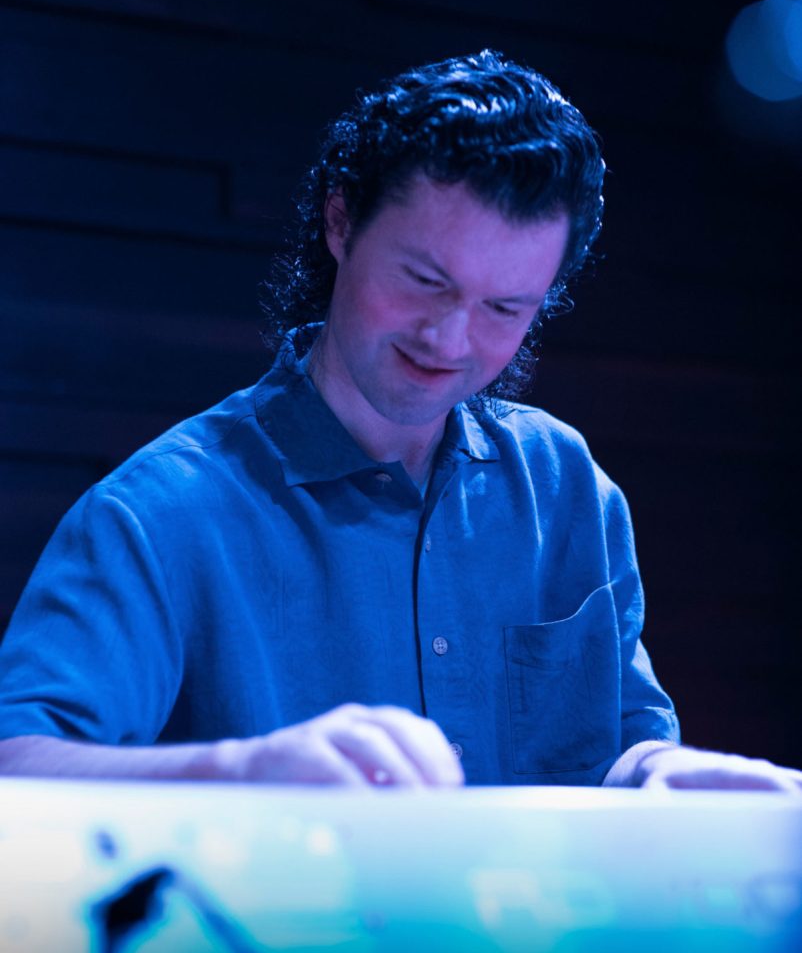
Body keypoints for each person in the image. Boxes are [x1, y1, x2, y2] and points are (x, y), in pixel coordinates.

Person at [0, 50, 799, 795]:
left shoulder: (563, 486)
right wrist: (243, 770)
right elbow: (15, 764)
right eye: (424, 280)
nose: (449, 340)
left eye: (503, 308)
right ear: (341, 222)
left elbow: (616, 746)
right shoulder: (161, 513)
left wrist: (662, 774)